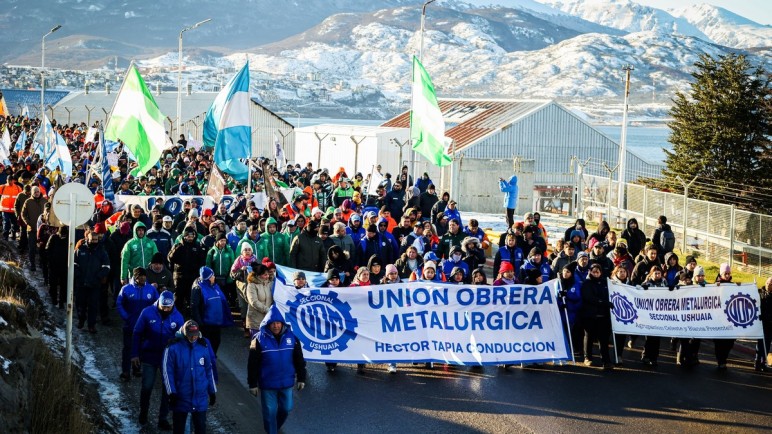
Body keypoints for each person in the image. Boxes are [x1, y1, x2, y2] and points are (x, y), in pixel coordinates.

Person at [247, 305, 307, 434]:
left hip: (286, 382)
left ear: (282, 323)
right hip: (268, 384)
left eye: (278, 323)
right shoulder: (258, 340)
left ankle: (274, 426)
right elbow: (252, 364)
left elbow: (299, 360)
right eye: (272, 323)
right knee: (270, 412)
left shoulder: (292, 338)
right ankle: (271, 430)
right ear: (268, 324)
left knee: (286, 409)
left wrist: (302, 378)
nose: (275, 326)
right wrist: (252, 384)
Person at [132, 291, 183, 428]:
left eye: (169, 307)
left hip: (168, 358)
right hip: (150, 355)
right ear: (158, 303)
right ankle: (143, 411)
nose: (166, 309)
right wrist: (135, 354)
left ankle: (163, 418)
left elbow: (181, 341)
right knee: (147, 386)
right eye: (163, 306)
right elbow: (137, 333)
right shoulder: (147, 312)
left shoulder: (178, 317)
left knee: (168, 388)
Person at [162, 320, 217, 434]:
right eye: (190, 336)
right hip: (181, 397)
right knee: (179, 429)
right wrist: (171, 392)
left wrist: (212, 391)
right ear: (184, 333)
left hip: (200, 397)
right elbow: (167, 372)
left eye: (195, 335)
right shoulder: (172, 347)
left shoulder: (203, 346)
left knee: (201, 428)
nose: (193, 338)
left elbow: (208, 370)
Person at [116, 267, 159, 382]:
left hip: (145, 326)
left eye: (144, 276)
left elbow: (157, 305)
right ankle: (126, 371)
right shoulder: (126, 289)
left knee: (141, 347)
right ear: (135, 277)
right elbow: (119, 304)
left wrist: (151, 320)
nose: (143, 278)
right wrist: (127, 317)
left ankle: (136, 368)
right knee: (128, 348)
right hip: (130, 325)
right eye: (140, 276)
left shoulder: (151, 290)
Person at [74, 230, 111, 333]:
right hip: (81, 283)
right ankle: (81, 319)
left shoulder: (101, 251)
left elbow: (106, 267)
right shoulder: (80, 250)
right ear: (87, 239)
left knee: (93, 305)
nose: (94, 242)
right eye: (92, 240)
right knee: (80, 303)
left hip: (94, 284)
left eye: (96, 240)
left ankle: (91, 325)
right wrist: (78, 275)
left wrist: (98, 277)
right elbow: (74, 264)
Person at [191, 266, 234, 354]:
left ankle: (212, 359)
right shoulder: (198, 288)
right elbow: (195, 307)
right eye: (212, 276)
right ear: (208, 277)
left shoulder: (215, 286)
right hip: (206, 325)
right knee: (206, 345)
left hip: (216, 323)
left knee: (216, 342)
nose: (214, 277)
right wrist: (199, 323)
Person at [580, 263, 614, 370]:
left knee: (603, 339)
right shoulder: (587, 283)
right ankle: (587, 357)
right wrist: (604, 302)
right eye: (594, 271)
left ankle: (606, 360)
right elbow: (589, 298)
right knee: (589, 337)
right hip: (590, 315)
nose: (596, 273)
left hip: (603, 316)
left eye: (598, 271)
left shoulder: (605, 282)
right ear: (590, 272)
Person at [167, 226, 206, 314]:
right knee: (178, 297)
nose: (190, 238)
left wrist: (199, 275)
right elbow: (170, 258)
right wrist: (176, 249)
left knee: (191, 296)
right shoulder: (178, 246)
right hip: (180, 276)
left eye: (192, 236)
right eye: (188, 236)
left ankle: (192, 314)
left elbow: (202, 261)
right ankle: (177, 313)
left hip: (193, 276)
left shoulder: (197, 247)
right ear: (184, 236)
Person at [640, 265, 668, 367]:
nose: (657, 275)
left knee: (657, 338)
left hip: (660, 314)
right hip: (649, 315)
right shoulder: (647, 283)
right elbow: (639, 293)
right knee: (649, 338)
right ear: (651, 274)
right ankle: (646, 355)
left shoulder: (664, 282)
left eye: (659, 273)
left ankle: (654, 357)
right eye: (655, 273)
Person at [120, 222, 159, 286]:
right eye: (139, 230)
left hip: (148, 275)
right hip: (134, 275)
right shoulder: (129, 244)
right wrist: (123, 277)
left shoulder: (151, 243)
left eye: (142, 230)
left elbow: (156, 258)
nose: (141, 232)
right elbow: (125, 261)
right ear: (135, 231)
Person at [714, 263, 736, 370]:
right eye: (725, 273)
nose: (727, 275)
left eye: (728, 273)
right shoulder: (716, 285)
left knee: (730, 342)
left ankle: (724, 358)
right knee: (720, 342)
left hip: (730, 318)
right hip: (719, 319)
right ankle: (721, 361)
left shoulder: (733, 285)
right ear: (721, 274)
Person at [20, 186, 46, 271]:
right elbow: (23, 214)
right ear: (32, 193)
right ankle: (32, 265)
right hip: (32, 230)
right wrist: (28, 223)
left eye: (38, 191)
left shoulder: (44, 201)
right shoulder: (28, 202)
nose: (37, 193)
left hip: (43, 230)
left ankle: (42, 264)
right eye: (35, 192)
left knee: (42, 249)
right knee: (32, 248)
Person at [246, 263, 274, 338]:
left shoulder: (270, 283)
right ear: (258, 275)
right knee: (257, 344)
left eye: (268, 274)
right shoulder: (252, 285)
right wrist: (268, 310)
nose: (267, 276)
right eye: (265, 275)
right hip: (256, 319)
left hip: (268, 318)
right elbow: (254, 302)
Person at [755, 276, 772, 372]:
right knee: (760, 344)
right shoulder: (759, 293)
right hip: (761, 323)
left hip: (770, 324)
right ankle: (757, 362)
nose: (769, 285)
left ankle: (763, 362)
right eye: (767, 283)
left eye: (771, 284)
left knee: (768, 344)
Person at [0, 176, 22, 242]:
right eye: (8, 180)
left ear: (13, 180)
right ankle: (5, 236)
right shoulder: (2, 187)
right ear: (6, 180)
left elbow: (21, 197)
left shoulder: (18, 188)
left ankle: (13, 234)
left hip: (14, 210)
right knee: (6, 222)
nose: (10, 182)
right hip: (5, 209)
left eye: (11, 180)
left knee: (14, 223)